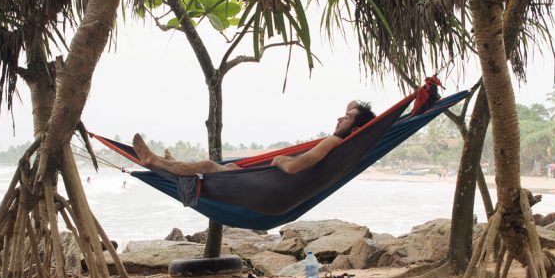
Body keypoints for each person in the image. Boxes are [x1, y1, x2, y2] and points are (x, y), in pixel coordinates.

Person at [131, 101, 376, 176]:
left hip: (275, 186)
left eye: (346, 118)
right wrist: (366, 118)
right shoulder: (345, 141)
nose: (339, 118)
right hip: (266, 184)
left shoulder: (332, 141)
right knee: (231, 166)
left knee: (207, 166)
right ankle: (174, 164)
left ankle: (153, 160)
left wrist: (280, 158)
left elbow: (292, 167)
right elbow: (353, 105)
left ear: (354, 129)